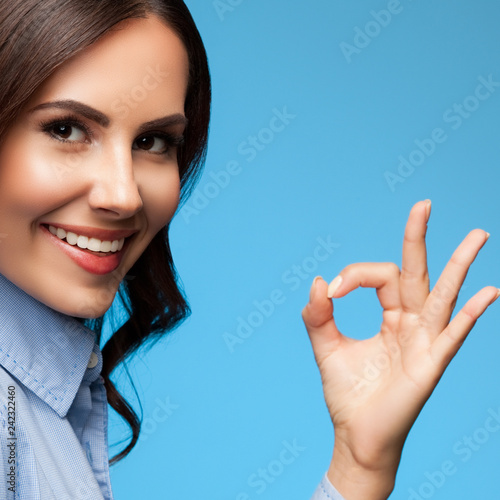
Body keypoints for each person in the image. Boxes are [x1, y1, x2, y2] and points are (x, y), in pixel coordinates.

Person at [0, 1, 496, 499]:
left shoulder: (44, 400)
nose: (124, 195)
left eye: (153, 141)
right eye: (65, 129)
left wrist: (360, 469)